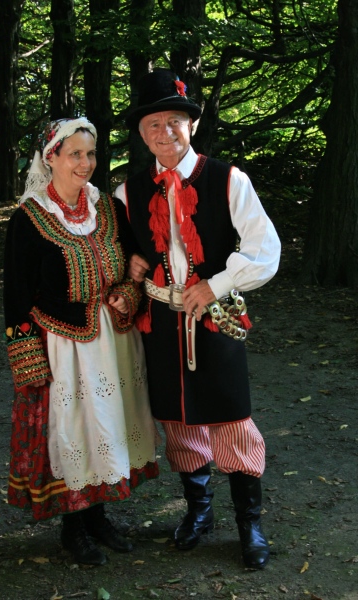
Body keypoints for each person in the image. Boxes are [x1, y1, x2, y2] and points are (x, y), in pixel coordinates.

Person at [114, 69, 281, 569]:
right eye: (153, 124)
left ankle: (249, 523)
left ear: (191, 124)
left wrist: (215, 284)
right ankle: (199, 510)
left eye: (174, 121)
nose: (164, 132)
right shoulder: (127, 192)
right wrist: (131, 264)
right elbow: (119, 250)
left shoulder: (228, 179)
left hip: (214, 317)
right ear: (142, 134)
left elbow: (265, 250)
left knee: (231, 418)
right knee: (178, 421)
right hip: (160, 321)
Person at [3, 117, 159, 566]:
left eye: (90, 153)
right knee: (75, 431)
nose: (86, 163)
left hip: (114, 341)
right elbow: (16, 298)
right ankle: (74, 527)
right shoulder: (29, 219)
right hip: (63, 346)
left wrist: (128, 292)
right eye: (75, 154)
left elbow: (135, 264)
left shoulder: (107, 207)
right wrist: (29, 361)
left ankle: (99, 518)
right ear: (50, 157)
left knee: (107, 428)